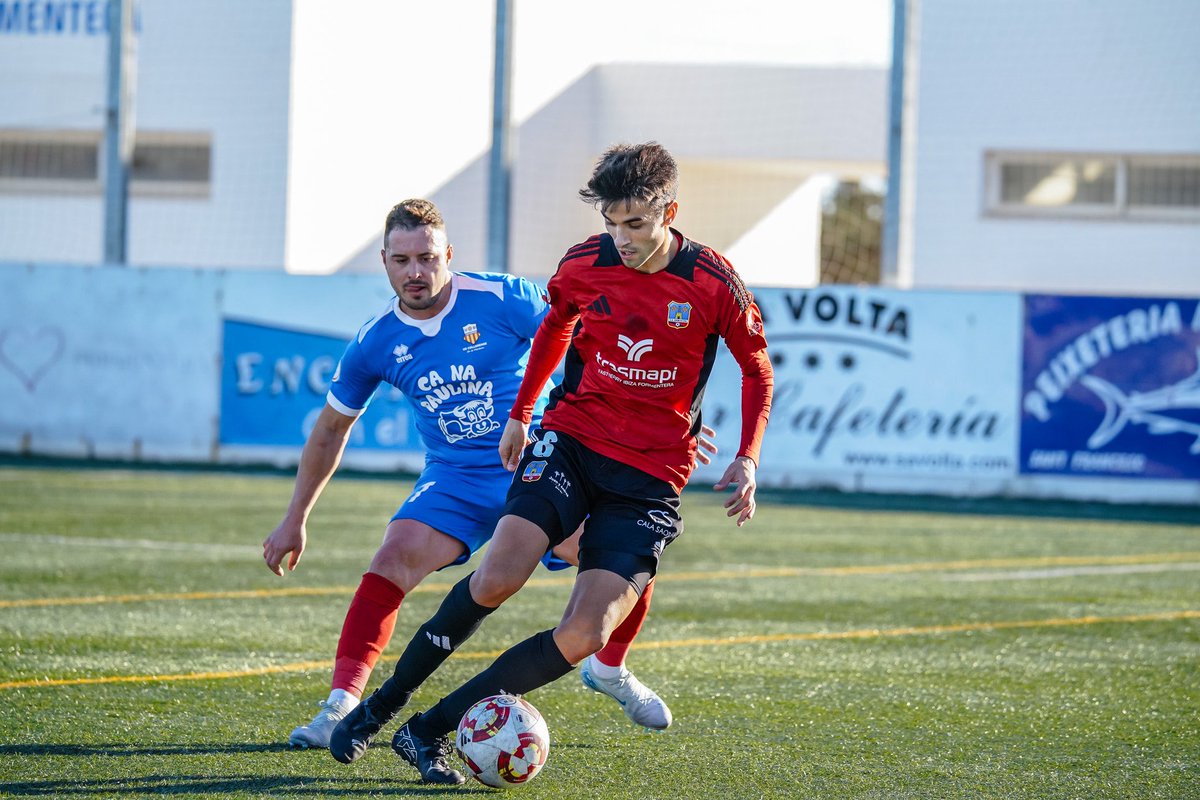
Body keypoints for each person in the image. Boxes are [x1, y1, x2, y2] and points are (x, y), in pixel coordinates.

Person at [333, 142, 774, 785]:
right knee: (497, 578)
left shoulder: (712, 280)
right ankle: (382, 702)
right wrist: (519, 415)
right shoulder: (583, 264)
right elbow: (554, 329)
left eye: (635, 223)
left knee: (585, 631)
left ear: (668, 211)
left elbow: (757, 368)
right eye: (610, 222)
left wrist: (748, 459)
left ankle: (427, 730)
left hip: (651, 478)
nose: (620, 238)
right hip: (571, 440)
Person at [262, 198, 709, 751]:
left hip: (539, 462)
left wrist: (661, 415)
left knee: (625, 556)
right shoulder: (375, 340)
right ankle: (340, 706)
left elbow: (594, 338)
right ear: (384, 262)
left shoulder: (502, 298)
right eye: (401, 260)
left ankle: (608, 668)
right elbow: (330, 430)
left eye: (427, 257)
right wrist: (294, 519)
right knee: (391, 557)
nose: (416, 272)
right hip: (454, 478)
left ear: (448, 255)